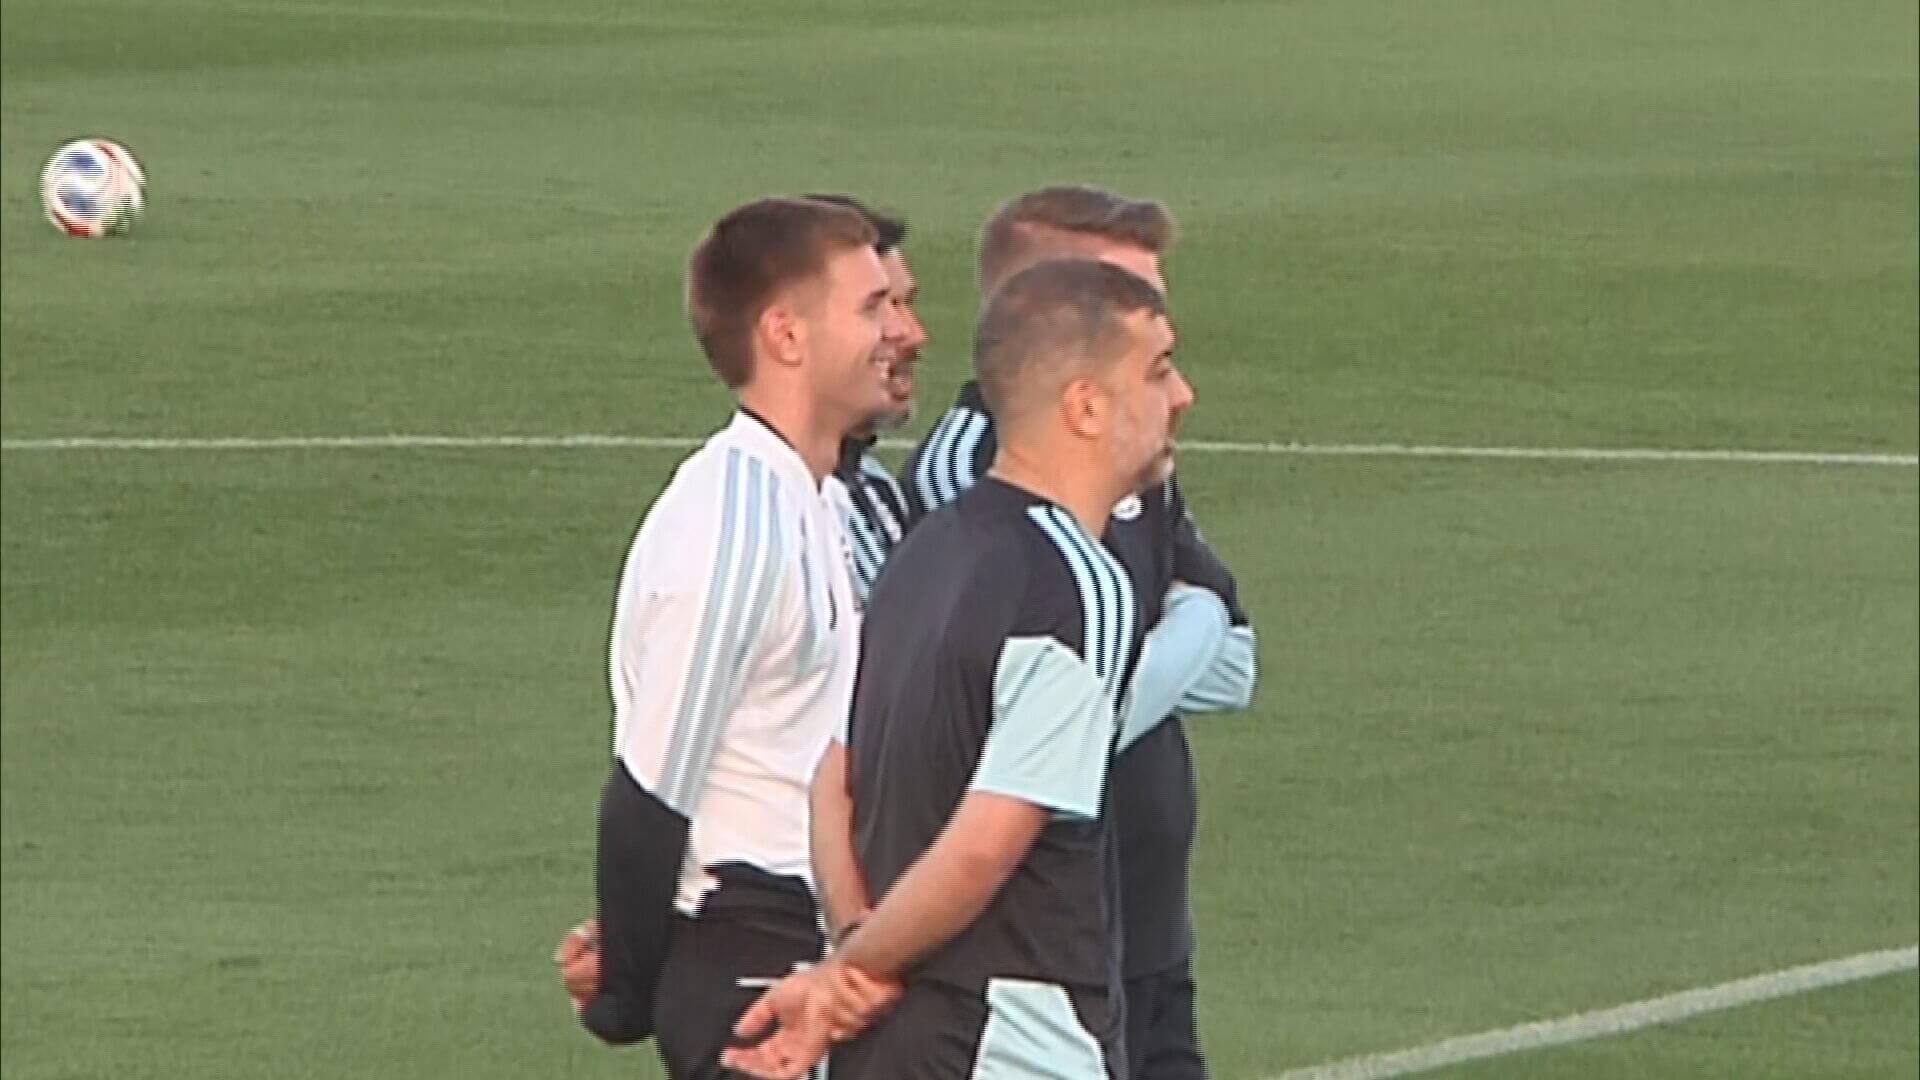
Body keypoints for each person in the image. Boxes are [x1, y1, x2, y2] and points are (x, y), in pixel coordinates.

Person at [723, 256, 1192, 1079]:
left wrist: (856, 944)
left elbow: (832, 778)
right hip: (1013, 1040)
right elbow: (985, 842)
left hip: (881, 1044)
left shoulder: (924, 549)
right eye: (1157, 370)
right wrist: (850, 972)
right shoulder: (1081, 585)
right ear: (1085, 405)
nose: (1181, 395)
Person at [899, 185, 1258, 1080]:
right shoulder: (971, 495)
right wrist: (1149, 648)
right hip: (1033, 970)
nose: (1177, 382)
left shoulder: (1136, 470)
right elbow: (1039, 725)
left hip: (1147, 931)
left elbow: (1237, 659)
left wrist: (1141, 656)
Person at [554, 193, 928, 1006]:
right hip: (748, 954)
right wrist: (628, 996)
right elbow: (648, 796)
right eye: (872, 308)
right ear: (785, 336)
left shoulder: (815, 498)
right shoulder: (736, 525)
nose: (906, 334)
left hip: (810, 944)